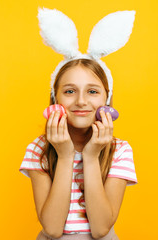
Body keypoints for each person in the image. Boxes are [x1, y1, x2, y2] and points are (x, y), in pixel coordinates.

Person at [19, 7, 137, 240]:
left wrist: (92, 156)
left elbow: (101, 228)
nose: (81, 101)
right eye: (70, 91)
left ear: (107, 100)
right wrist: (64, 155)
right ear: (55, 100)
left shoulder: (120, 151)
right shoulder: (38, 149)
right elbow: (52, 229)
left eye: (92, 91)